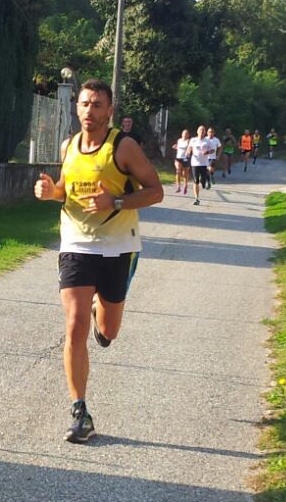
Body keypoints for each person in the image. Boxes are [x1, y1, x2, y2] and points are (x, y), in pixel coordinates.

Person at [34, 80, 164, 442]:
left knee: (108, 332)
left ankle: (100, 314)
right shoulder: (69, 146)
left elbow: (156, 191)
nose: (89, 110)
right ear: (76, 108)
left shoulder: (123, 148)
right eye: (84, 103)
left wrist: (117, 202)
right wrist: (50, 192)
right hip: (76, 244)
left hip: (118, 247)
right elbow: (65, 190)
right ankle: (80, 411)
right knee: (74, 325)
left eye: (97, 105)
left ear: (109, 111)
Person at [173, 127, 192, 194]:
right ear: (182, 134)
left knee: (185, 173)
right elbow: (178, 147)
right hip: (178, 157)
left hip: (185, 158)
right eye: (184, 133)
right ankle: (178, 186)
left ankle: (185, 185)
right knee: (178, 171)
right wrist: (175, 146)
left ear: (188, 135)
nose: (185, 135)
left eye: (186, 134)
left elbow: (190, 148)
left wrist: (188, 151)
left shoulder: (189, 141)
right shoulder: (179, 140)